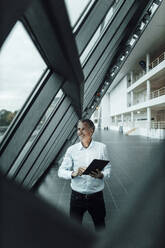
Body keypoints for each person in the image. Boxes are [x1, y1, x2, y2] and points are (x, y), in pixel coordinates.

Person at [58, 119, 111, 230]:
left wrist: (101, 175)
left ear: (91, 131)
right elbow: (61, 171)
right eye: (78, 129)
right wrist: (73, 173)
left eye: (83, 129)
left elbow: (108, 169)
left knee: (100, 226)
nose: (80, 132)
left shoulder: (102, 148)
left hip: (96, 197)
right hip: (77, 197)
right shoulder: (71, 150)